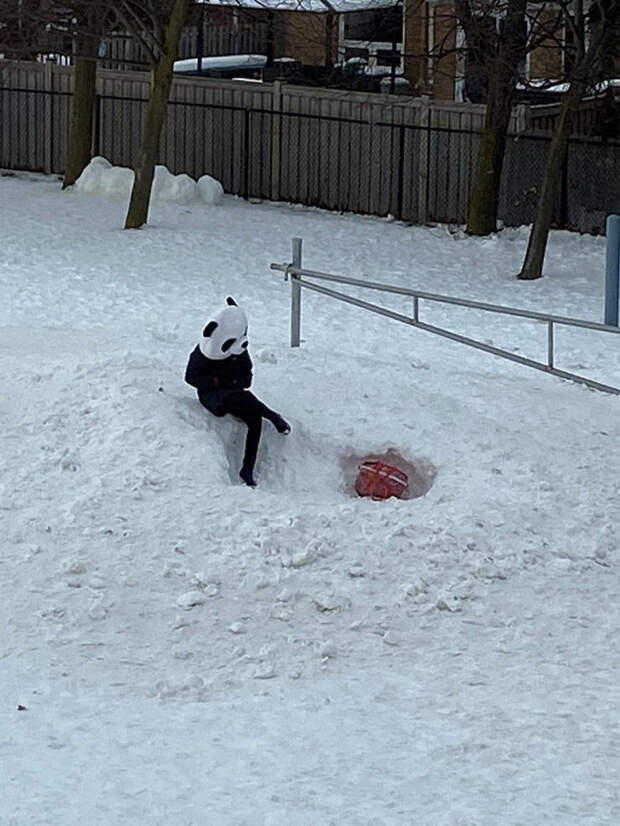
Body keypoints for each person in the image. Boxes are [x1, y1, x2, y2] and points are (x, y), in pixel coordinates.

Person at [185, 297, 290, 487]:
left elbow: (246, 378)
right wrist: (217, 381)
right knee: (246, 404)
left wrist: (233, 380)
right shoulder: (203, 354)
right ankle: (272, 416)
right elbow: (191, 378)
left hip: (235, 390)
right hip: (214, 395)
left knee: (253, 418)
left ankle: (247, 468)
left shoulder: (238, 351)